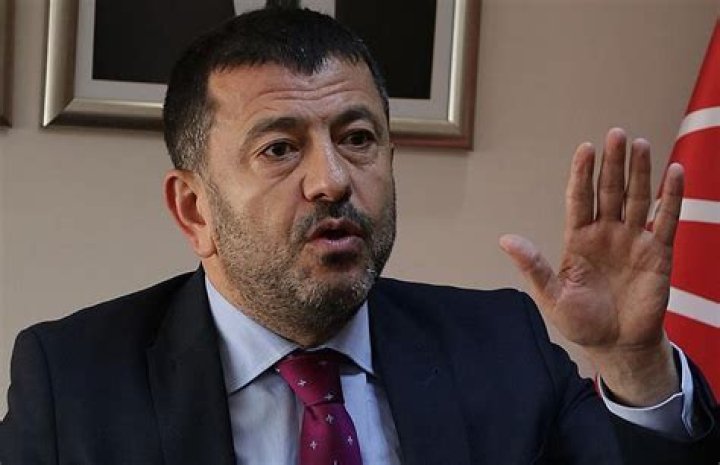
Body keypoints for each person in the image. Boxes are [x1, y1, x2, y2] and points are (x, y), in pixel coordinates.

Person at [1, 8, 718, 465]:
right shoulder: (76, 381)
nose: (333, 180)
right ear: (194, 210)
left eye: (357, 138)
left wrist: (633, 364)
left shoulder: (501, 346)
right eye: (280, 148)